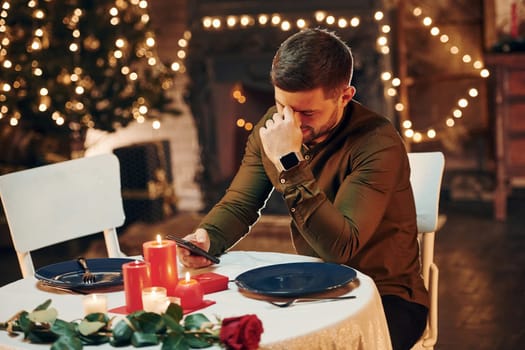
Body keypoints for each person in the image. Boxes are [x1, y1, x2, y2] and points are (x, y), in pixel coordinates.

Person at [177, 27, 428, 350]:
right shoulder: (273, 126)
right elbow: (240, 204)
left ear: (345, 96)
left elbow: (340, 248)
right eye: (283, 106)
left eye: (307, 112)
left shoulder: (377, 143)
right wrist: (207, 238)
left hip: (387, 298)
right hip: (313, 285)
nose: (291, 122)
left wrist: (290, 162)